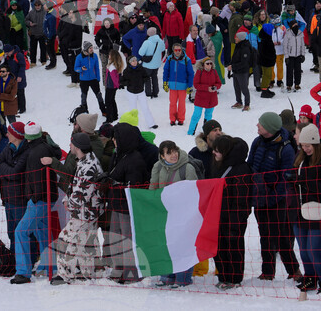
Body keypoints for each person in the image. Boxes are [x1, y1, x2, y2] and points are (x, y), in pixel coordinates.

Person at [247, 111, 300, 281]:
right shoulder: (257, 142)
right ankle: (268, 272)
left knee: (281, 235)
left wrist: (271, 197)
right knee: (265, 235)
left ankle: (294, 271)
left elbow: (286, 179)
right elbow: (250, 166)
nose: (257, 125)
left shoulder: (286, 149)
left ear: (268, 128)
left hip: (277, 200)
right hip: (259, 198)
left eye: (260, 124)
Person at [51, 131, 105, 285]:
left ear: (78, 146)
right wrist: (68, 198)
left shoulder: (88, 166)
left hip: (85, 212)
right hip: (88, 211)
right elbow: (76, 186)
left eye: (71, 143)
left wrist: (70, 204)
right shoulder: (83, 160)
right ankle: (90, 272)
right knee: (88, 243)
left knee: (64, 240)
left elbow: (82, 193)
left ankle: (65, 275)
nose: (69, 146)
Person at [10, 122, 60, 284]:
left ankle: (23, 272)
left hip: (39, 200)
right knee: (42, 231)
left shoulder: (34, 153)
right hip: (47, 198)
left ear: (27, 137)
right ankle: (50, 267)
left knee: (21, 232)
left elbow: (37, 179)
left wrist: (34, 197)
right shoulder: (45, 147)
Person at [105, 121, 150, 284]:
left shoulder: (135, 159)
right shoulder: (118, 154)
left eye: (115, 138)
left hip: (127, 206)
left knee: (127, 239)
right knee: (115, 236)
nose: (113, 141)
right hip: (116, 202)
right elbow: (114, 173)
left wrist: (119, 184)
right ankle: (118, 268)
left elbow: (135, 185)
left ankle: (132, 271)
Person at [149, 140, 199, 287]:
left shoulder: (187, 168)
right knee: (166, 244)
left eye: (175, 151)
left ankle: (183, 278)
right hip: (165, 212)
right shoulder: (157, 167)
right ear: (162, 155)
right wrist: (152, 205)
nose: (174, 155)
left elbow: (194, 191)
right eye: (169, 152)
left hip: (184, 214)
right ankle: (167, 276)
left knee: (183, 244)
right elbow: (153, 187)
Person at [293, 124, 321, 294]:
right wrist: (293, 181)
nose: (305, 148)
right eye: (303, 145)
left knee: (314, 249)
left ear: (315, 144)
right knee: (303, 249)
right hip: (300, 210)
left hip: (320, 211)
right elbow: (296, 184)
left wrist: (303, 182)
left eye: (308, 145)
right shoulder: (300, 159)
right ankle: (310, 277)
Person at [211, 134, 252, 289]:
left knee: (233, 246)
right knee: (219, 246)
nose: (214, 153)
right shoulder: (217, 163)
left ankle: (234, 278)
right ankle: (223, 275)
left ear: (225, 152)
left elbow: (242, 197)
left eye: (217, 151)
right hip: (218, 214)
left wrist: (237, 218)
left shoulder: (241, 168)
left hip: (234, 215)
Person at [162, 42, 194, 126]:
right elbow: (166, 71)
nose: (177, 52)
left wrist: (190, 85)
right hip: (172, 85)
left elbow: (191, 73)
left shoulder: (187, 60)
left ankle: (181, 119)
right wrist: (165, 82)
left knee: (182, 104)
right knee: (172, 103)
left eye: (179, 50)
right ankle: (172, 119)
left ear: (181, 50)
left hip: (183, 86)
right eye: (176, 50)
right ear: (173, 50)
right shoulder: (169, 59)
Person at [120, 55, 155, 130]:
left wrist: (143, 80)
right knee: (133, 110)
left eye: (135, 60)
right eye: (133, 61)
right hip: (131, 93)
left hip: (141, 92)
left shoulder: (141, 68)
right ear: (129, 62)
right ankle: (133, 125)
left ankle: (151, 123)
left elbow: (146, 77)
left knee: (145, 108)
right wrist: (128, 83)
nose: (135, 62)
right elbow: (122, 81)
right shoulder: (126, 71)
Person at [188, 57, 220, 136]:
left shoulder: (214, 72)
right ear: (203, 65)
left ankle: (207, 132)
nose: (209, 65)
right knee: (196, 115)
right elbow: (196, 85)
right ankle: (190, 132)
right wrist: (207, 88)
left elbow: (219, 83)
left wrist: (215, 87)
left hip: (211, 98)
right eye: (207, 63)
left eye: (210, 63)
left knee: (208, 116)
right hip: (200, 98)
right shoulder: (199, 72)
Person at [74, 41, 107, 115]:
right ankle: (85, 111)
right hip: (83, 80)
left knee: (99, 95)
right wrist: (81, 69)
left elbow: (97, 68)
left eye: (92, 48)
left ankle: (104, 111)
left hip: (93, 79)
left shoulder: (94, 56)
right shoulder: (79, 57)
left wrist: (98, 78)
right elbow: (75, 68)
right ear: (86, 49)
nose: (92, 49)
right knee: (84, 97)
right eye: (90, 48)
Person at [138, 27, 165, 98]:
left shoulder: (147, 42)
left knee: (147, 78)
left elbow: (140, 53)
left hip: (148, 64)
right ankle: (155, 92)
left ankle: (148, 92)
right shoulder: (160, 41)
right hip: (157, 63)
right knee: (154, 77)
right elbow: (162, 49)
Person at [230, 31, 252, 111]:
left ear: (241, 38)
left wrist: (233, 66)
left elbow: (244, 63)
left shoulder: (245, 48)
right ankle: (239, 102)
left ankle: (247, 104)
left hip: (242, 71)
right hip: (236, 70)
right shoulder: (238, 45)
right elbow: (235, 57)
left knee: (244, 88)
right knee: (236, 87)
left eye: (237, 37)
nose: (235, 38)